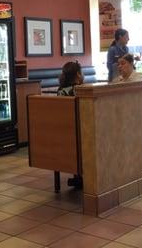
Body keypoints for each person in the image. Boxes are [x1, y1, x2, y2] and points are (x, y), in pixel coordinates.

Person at [56, 61, 84, 189]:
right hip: (80, 132)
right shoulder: (81, 90)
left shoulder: (60, 91)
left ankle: (77, 175)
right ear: (78, 74)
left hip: (64, 132)